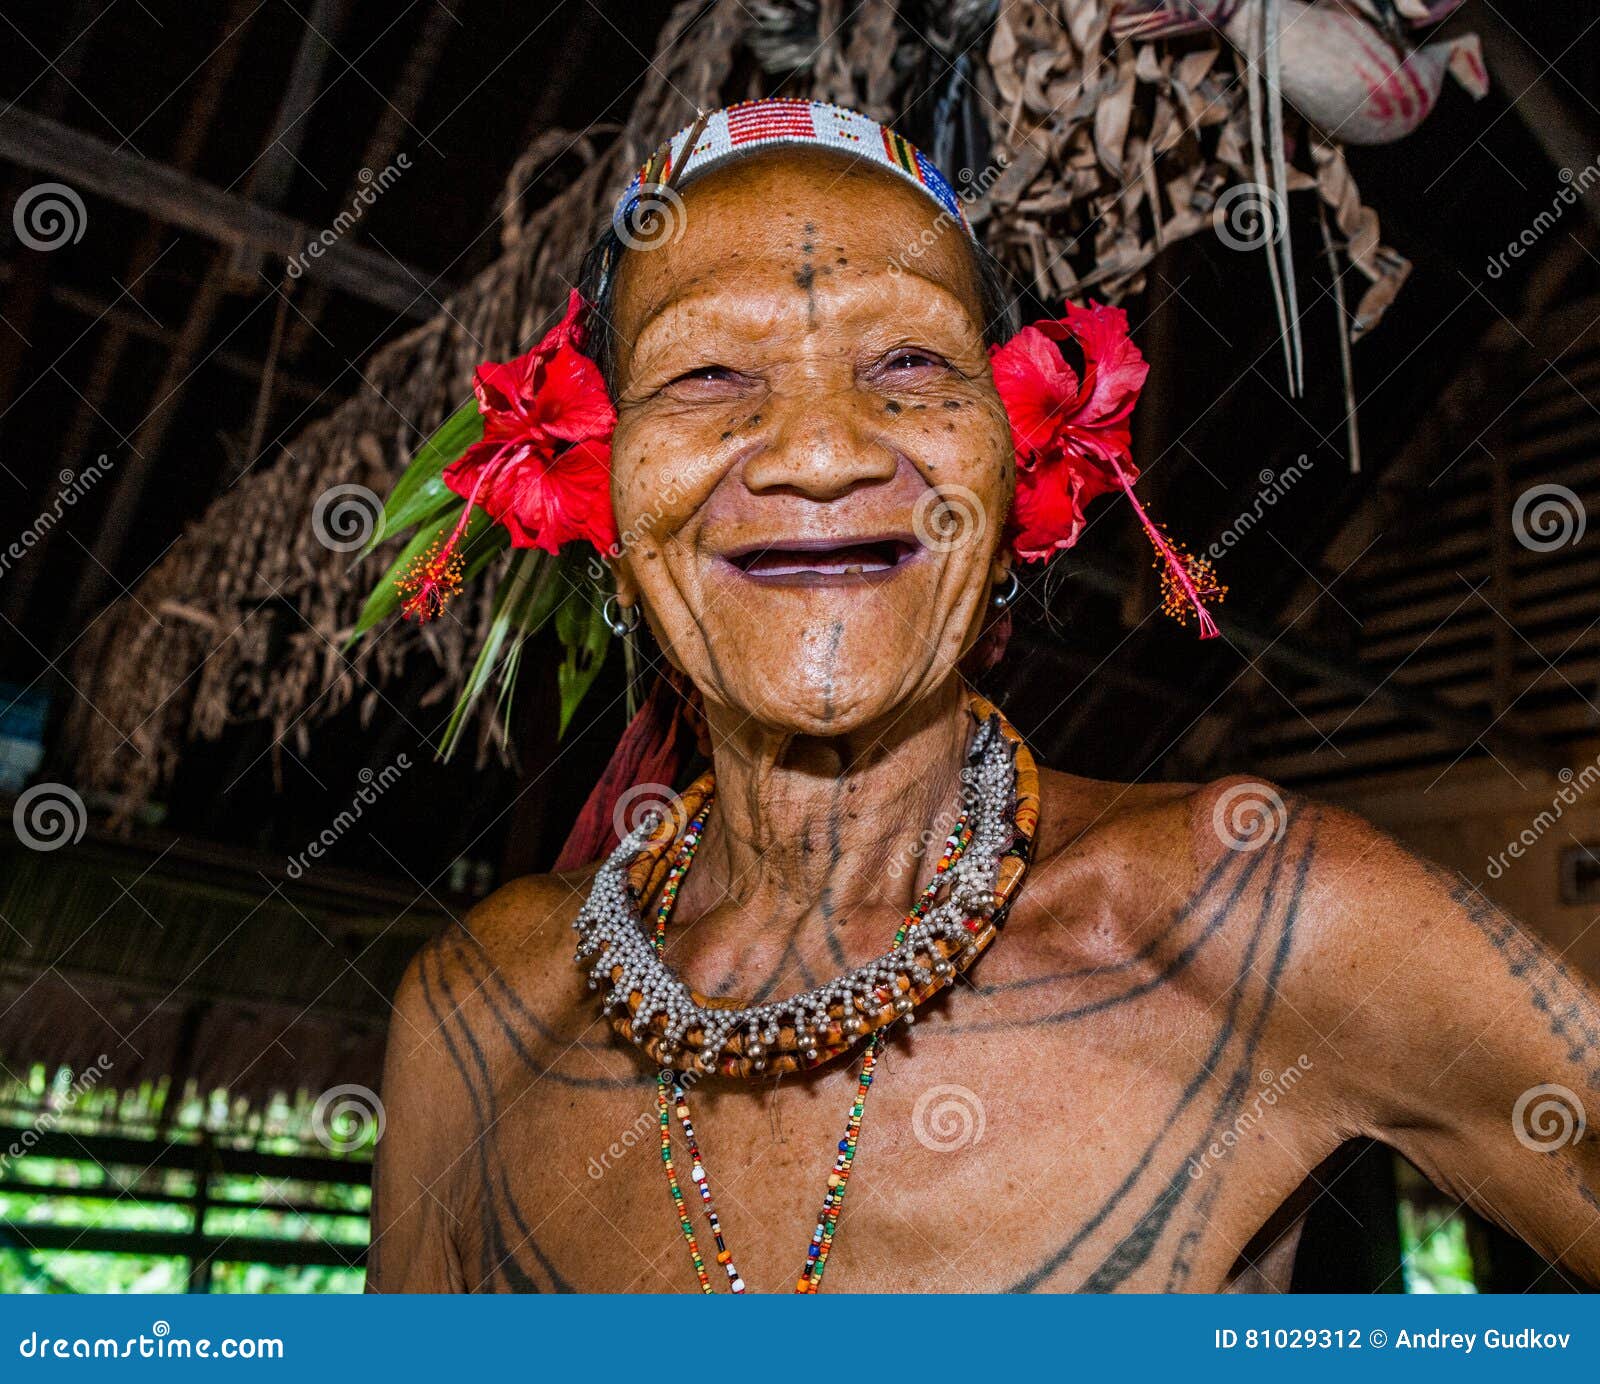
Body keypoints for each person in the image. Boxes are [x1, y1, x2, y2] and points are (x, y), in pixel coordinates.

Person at [367, 102, 1600, 1293]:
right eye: (702, 371)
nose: (818, 449)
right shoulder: (480, 1014)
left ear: (1020, 471)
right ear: (597, 488)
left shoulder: (1260, 916)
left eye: (907, 360)